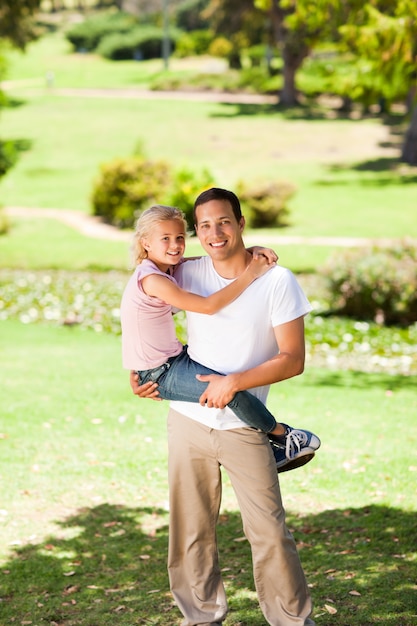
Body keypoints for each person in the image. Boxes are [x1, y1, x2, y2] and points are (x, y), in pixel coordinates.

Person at [130, 188, 316, 625]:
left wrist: (234, 383)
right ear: (196, 233)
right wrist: (137, 372)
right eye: (205, 226)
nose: (215, 232)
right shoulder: (186, 273)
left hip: (243, 429)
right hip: (187, 423)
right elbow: (139, 310)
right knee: (191, 534)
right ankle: (201, 617)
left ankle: (292, 620)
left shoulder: (277, 281)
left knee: (269, 533)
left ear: (241, 223)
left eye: (224, 221)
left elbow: (293, 359)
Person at [121, 204, 320, 472]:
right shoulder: (154, 280)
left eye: (180, 237)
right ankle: (283, 437)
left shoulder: (163, 267)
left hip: (172, 360)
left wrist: (248, 252)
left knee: (226, 382)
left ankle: (273, 445)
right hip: (159, 372)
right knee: (230, 391)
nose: (176, 245)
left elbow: (205, 260)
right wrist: (251, 273)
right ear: (145, 243)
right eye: (165, 239)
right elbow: (208, 306)